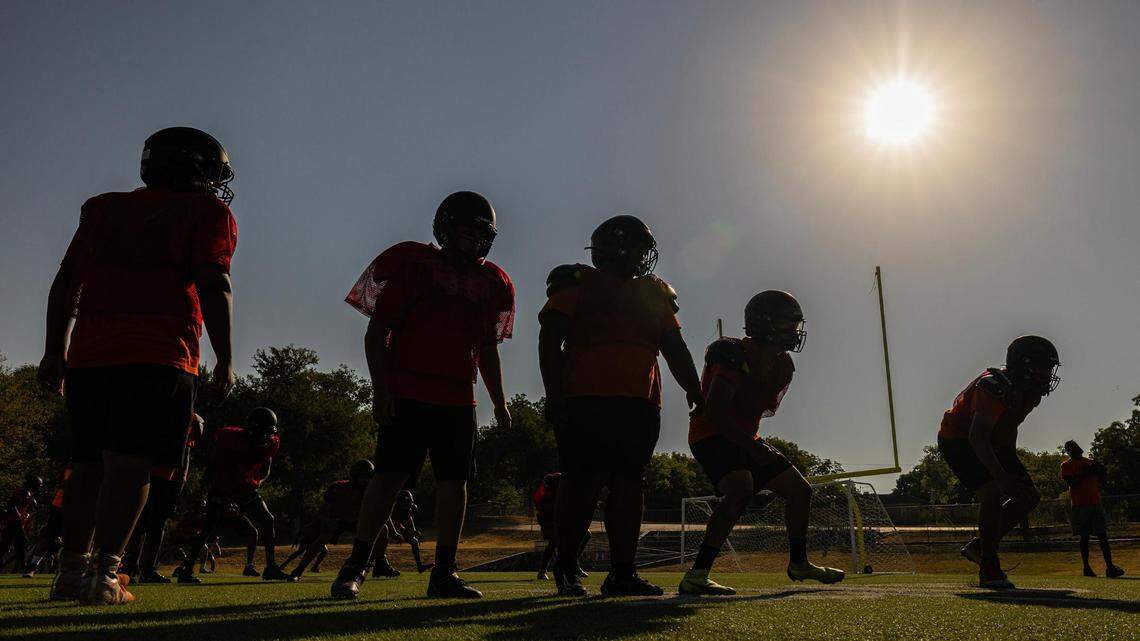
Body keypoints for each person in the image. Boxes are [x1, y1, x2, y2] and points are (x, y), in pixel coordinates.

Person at [36, 127, 237, 604]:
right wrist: (225, 357)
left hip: (90, 352)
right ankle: (106, 574)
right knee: (132, 466)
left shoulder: (103, 208)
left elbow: (66, 283)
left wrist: (53, 350)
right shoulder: (206, 211)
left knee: (85, 465)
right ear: (193, 168)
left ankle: (70, 571)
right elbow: (215, 283)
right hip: (159, 351)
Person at [331, 191, 515, 600]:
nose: (474, 240)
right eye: (467, 231)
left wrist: (499, 401)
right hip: (409, 388)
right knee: (388, 479)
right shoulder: (415, 265)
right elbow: (377, 333)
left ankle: (444, 572)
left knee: (456, 483)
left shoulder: (492, 282)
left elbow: (487, 348)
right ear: (447, 229)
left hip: (457, 397)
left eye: (481, 234)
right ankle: (356, 565)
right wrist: (381, 390)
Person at [538, 215, 704, 597]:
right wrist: (554, 394)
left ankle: (622, 573)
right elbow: (550, 339)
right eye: (640, 247)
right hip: (585, 396)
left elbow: (673, 347)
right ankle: (565, 567)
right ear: (620, 247)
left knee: (630, 485)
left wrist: (694, 389)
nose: (645, 256)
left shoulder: (653, 292)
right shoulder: (579, 282)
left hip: (640, 401)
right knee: (581, 484)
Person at [680, 291, 845, 595]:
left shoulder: (783, 366)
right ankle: (697, 573)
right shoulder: (732, 353)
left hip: (744, 437)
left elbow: (759, 409)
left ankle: (799, 563)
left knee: (800, 491)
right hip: (711, 432)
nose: (794, 332)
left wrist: (751, 443)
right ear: (764, 323)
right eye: (787, 324)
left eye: (795, 325)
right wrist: (752, 445)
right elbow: (716, 411)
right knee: (740, 488)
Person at [938, 335, 1059, 589]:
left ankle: (980, 546)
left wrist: (1010, 462)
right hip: (959, 439)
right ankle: (989, 563)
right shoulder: (993, 386)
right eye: (1043, 366)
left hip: (993, 441)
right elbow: (976, 436)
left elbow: (1009, 427)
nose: (1048, 373)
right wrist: (1001, 476)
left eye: (1050, 367)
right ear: (1023, 365)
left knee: (1028, 497)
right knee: (992, 492)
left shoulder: (1031, 393)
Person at [176, 408, 294, 583]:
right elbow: (214, 469)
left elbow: (266, 469)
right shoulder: (231, 440)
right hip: (223, 486)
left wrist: (256, 483)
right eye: (261, 433)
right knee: (208, 527)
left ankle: (270, 567)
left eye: (267, 434)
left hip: (245, 486)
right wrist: (223, 498)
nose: (264, 438)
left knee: (267, 519)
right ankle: (186, 570)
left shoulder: (271, 443)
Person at [122, 414, 205, 583]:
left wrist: (180, 481)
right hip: (150, 473)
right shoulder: (180, 416)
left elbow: (186, 453)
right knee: (143, 524)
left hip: (165, 477)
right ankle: (133, 567)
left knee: (153, 524)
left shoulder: (192, 420)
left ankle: (142, 568)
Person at [288, 460, 378, 580]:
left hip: (357, 520)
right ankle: (299, 570)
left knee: (381, 531)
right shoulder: (338, 488)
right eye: (362, 477)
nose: (365, 481)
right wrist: (327, 521)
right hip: (336, 519)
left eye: (368, 478)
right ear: (354, 476)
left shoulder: (371, 491)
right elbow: (324, 510)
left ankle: (381, 563)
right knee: (321, 540)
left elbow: (378, 513)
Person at [1061, 440, 1124, 578]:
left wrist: (1101, 471)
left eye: (1076, 446)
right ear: (1069, 451)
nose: (1077, 449)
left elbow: (1102, 481)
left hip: (1095, 502)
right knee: (1084, 537)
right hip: (1080, 504)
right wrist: (1087, 472)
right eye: (1073, 448)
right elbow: (1072, 483)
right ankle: (1086, 567)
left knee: (1103, 536)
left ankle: (1110, 567)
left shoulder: (1090, 462)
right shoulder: (1066, 465)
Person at [533, 473, 589, 581]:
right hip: (550, 521)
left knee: (586, 534)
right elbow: (547, 509)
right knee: (554, 541)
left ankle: (573, 564)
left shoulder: (566, 488)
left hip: (561, 520)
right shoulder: (552, 489)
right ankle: (543, 570)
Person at [23, 467, 71, 577]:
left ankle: (74, 569)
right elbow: (63, 483)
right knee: (48, 537)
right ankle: (32, 566)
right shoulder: (71, 465)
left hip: (79, 506)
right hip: (61, 505)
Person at [0, 475, 42, 573]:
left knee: (9, 545)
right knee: (22, 543)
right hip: (14, 522)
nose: (39, 487)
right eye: (38, 485)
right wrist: (18, 515)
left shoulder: (28, 494)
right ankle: (24, 567)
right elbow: (11, 504)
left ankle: (22, 566)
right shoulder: (24, 493)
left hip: (15, 522)